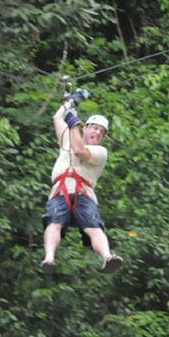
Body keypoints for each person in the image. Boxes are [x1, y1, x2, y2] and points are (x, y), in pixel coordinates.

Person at [41, 102, 122, 275]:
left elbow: (79, 150)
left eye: (102, 132)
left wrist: (73, 122)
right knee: (54, 222)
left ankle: (107, 257)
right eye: (95, 128)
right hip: (60, 190)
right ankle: (49, 258)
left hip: (84, 194)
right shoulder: (67, 140)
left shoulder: (100, 152)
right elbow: (57, 117)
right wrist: (71, 102)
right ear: (85, 128)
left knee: (93, 227)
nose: (98, 133)